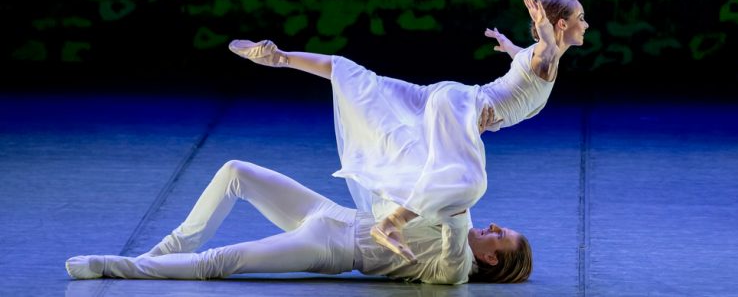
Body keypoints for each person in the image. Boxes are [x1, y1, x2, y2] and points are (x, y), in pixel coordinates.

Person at [225, 0, 587, 261]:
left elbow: (524, 58)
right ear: (561, 25)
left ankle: (281, 57)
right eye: (580, 18)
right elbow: (546, 49)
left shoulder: (536, 57)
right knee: (465, 180)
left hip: (450, 97)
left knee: (369, 84)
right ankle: (391, 224)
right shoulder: (546, 57)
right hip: (467, 109)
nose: (584, 25)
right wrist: (543, 31)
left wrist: (507, 43)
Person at [65, 159, 531, 284]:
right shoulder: (457, 227)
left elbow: (457, 209)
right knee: (236, 172)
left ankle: (112, 266)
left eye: (500, 236)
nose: (493, 227)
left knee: (220, 262)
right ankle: (164, 253)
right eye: (500, 227)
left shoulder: (455, 269)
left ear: (492, 260)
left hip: (331, 249)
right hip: (333, 215)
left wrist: (465, 157)